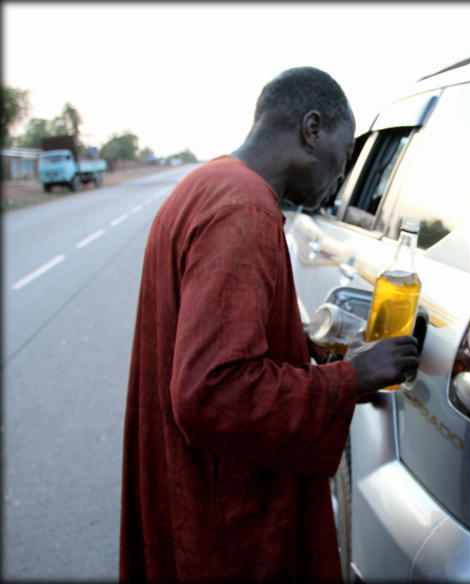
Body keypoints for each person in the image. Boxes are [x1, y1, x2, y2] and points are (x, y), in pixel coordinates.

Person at [119, 67, 420, 582]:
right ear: (312, 129)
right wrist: (354, 377)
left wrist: (298, 345)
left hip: (188, 489)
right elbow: (212, 390)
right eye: (344, 155)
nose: (341, 174)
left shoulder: (206, 183)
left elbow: (200, 333)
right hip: (226, 521)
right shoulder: (244, 210)